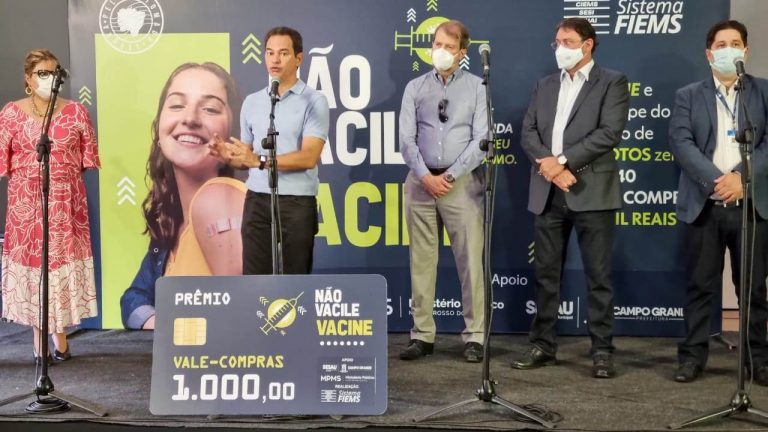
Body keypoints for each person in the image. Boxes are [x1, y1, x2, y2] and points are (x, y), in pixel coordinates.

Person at [512, 18, 629, 378]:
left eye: (568, 41)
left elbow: (609, 132)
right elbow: (528, 132)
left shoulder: (612, 82)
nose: (560, 48)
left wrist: (562, 162)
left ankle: (602, 350)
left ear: (587, 45)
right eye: (557, 42)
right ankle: (543, 345)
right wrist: (550, 168)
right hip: (548, 191)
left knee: (598, 277)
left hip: (591, 191)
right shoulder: (545, 84)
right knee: (546, 274)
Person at [669, 20, 768, 384]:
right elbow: (681, 143)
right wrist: (717, 182)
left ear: (746, 51)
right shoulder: (688, 95)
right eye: (721, 45)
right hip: (704, 203)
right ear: (709, 54)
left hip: (751, 204)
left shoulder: (763, 91)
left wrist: (741, 178)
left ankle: (758, 360)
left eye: (735, 43)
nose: (729, 49)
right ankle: (692, 357)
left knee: (754, 289)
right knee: (700, 286)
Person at [120, 62, 245, 330]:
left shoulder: (218, 199)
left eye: (210, 109)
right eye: (177, 105)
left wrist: (172, 328)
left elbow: (237, 322)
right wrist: (164, 325)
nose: (190, 118)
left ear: (232, 134)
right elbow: (133, 298)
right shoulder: (171, 222)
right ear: (160, 125)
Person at [0, 49, 100, 364]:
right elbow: (4, 161)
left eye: (54, 72)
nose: (48, 78)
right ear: (28, 79)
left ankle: (60, 335)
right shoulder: (10, 113)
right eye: (42, 73)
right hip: (25, 210)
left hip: (66, 208)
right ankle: (39, 339)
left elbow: (86, 160)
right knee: (36, 270)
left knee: (59, 270)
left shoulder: (77, 112)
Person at [397, 20, 488, 363]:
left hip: (460, 183)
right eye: (437, 44)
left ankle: (475, 336)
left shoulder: (478, 87)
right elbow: (406, 140)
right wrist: (425, 175)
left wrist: (449, 175)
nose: (441, 51)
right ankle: (422, 335)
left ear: (462, 52)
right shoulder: (415, 87)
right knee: (421, 262)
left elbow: (482, 140)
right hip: (420, 183)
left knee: (470, 263)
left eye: (449, 47)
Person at [209, 26, 329, 275]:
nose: (275, 59)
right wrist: (228, 157)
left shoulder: (314, 101)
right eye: (270, 52)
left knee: (296, 281)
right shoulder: (252, 102)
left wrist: (259, 160)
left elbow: (309, 157)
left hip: (297, 202)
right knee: (255, 279)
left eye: (283, 53)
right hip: (257, 199)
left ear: (298, 58)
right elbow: (247, 158)